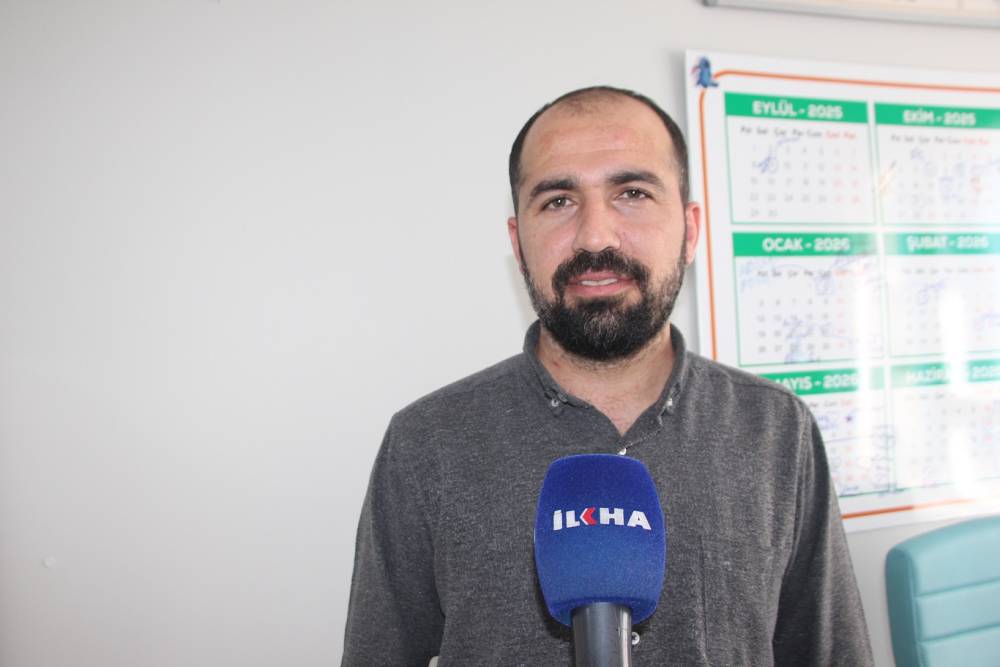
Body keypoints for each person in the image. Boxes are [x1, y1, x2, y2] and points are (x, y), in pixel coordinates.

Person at [342, 86, 874, 666]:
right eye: (558, 201)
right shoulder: (426, 444)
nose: (595, 236)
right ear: (518, 243)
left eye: (633, 193)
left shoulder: (777, 430)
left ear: (690, 230)